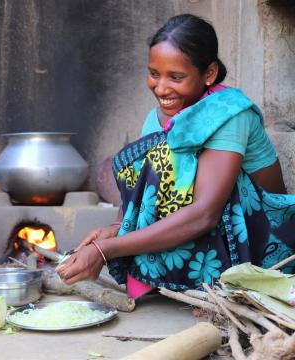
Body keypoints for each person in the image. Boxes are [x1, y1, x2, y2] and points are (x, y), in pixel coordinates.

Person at [57, 14, 295, 297]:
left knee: (199, 175)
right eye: (154, 74)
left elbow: (205, 214)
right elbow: (142, 187)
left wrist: (107, 250)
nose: (161, 88)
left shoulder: (229, 113)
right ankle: (171, 276)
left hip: (261, 237)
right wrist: (117, 228)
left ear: (209, 74)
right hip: (206, 225)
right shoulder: (158, 119)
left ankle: (203, 280)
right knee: (153, 159)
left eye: (176, 77)